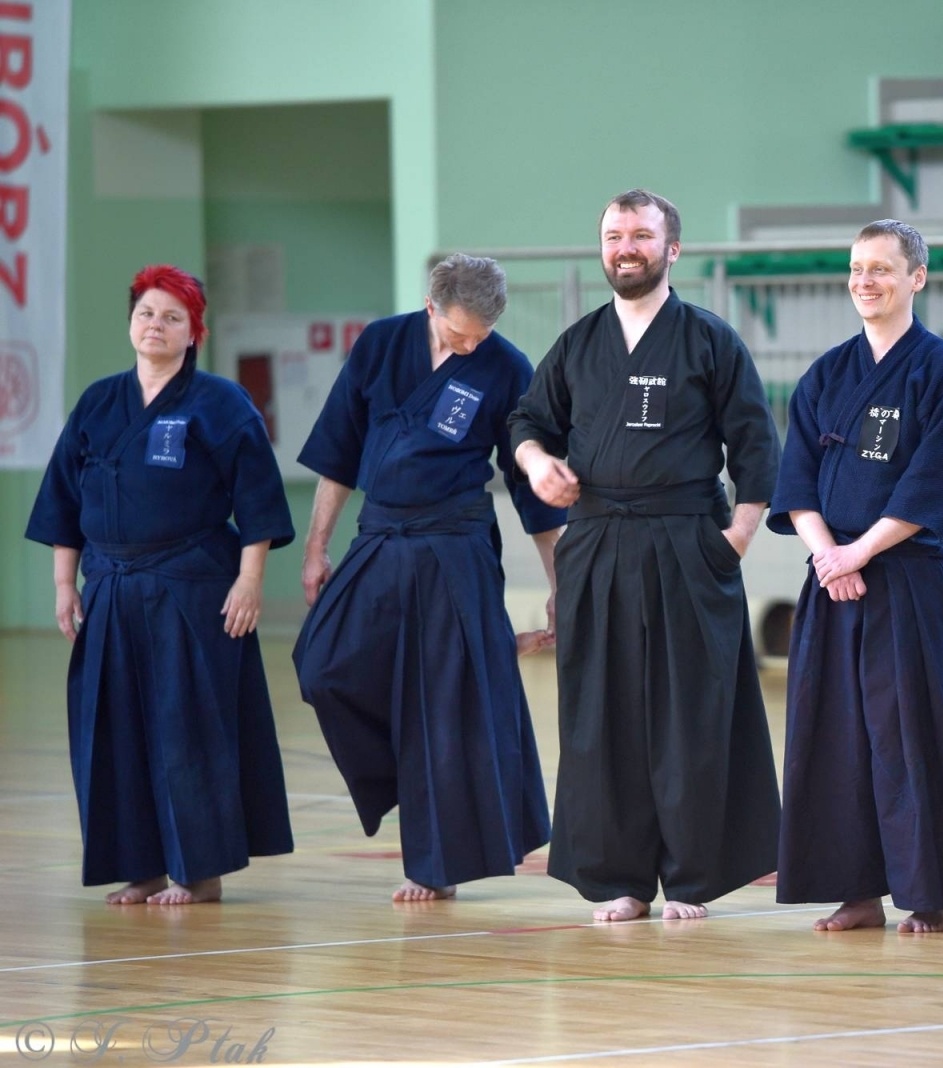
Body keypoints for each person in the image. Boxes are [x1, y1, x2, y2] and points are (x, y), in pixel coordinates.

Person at [510, 188, 781, 922]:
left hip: (688, 542)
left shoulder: (709, 339)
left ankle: (691, 878)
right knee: (601, 718)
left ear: (672, 249)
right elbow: (528, 421)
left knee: (690, 716)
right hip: (597, 543)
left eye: (640, 234)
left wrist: (737, 539)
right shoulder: (579, 342)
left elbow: (756, 446)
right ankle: (616, 877)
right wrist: (537, 463)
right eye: (612, 235)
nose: (625, 247)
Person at [294, 253, 564, 902]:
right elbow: (337, 450)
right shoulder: (382, 344)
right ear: (430, 307)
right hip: (381, 537)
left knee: (445, 707)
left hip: (456, 546)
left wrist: (559, 582)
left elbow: (532, 494)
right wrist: (317, 546)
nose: (469, 345)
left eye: (480, 335)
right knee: (322, 665)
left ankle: (433, 867)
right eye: (457, 333)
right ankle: (391, 778)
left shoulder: (505, 367)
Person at [25, 264, 296, 905]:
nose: (156, 325)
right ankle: (139, 865)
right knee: (112, 729)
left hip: (193, 587)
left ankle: (198, 871)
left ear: (193, 331)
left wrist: (250, 580)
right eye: (147, 313)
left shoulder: (220, 404)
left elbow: (257, 499)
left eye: (172, 317)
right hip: (111, 588)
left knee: (189, 727)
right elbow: (64, 501)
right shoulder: (97, 403)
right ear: (130, 323)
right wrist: (66, 585)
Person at [766, 219, 943, 934]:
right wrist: (826, 555)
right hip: (831, 581)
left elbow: (936, 483)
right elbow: (796, 480)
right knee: (833, 738)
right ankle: (856, 890)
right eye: (856, 268)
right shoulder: (827, 374)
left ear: (916, 279)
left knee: (915, 737)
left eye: (881, 269)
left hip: (909, 581)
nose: (865, 281)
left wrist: (860, 552)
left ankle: (930, 891)